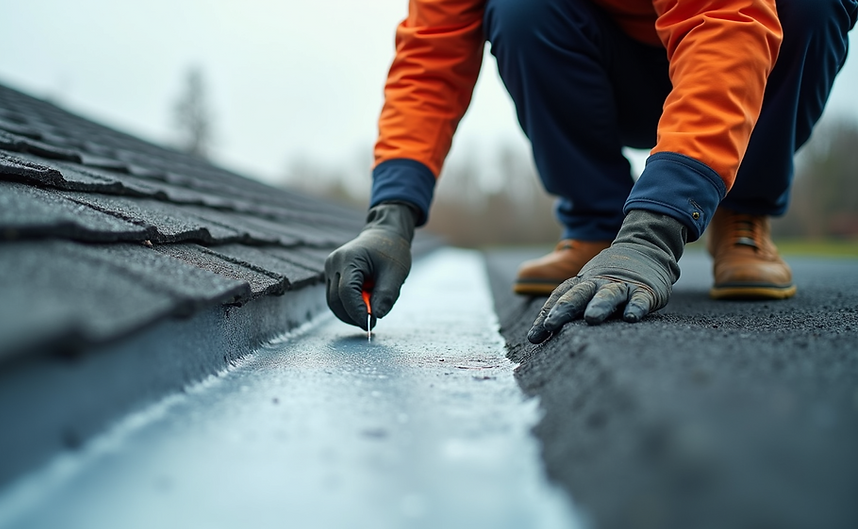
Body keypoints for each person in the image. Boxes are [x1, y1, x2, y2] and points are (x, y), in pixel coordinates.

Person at [325, 0, 856, 343]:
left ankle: (744, 215)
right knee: (520, 10)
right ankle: (597, 226)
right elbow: (429, 64)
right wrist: (390, 216)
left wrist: (654, 233)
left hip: (740, 59)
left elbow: (727, 25)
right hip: (603, 66)